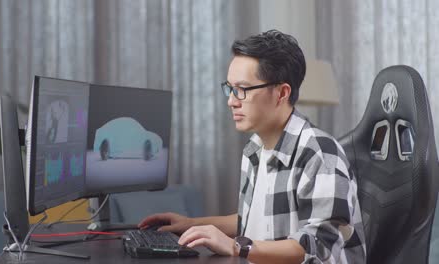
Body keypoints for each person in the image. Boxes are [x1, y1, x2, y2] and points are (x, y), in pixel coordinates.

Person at [138, 30, 366, 264]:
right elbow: (254, 220)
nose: (231, 101)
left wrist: (236, 246)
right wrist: (191, 224)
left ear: (281, 93)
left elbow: (319, 245)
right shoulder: (254, 149)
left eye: (242, 90)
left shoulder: (319, 152)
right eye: (230, 88)